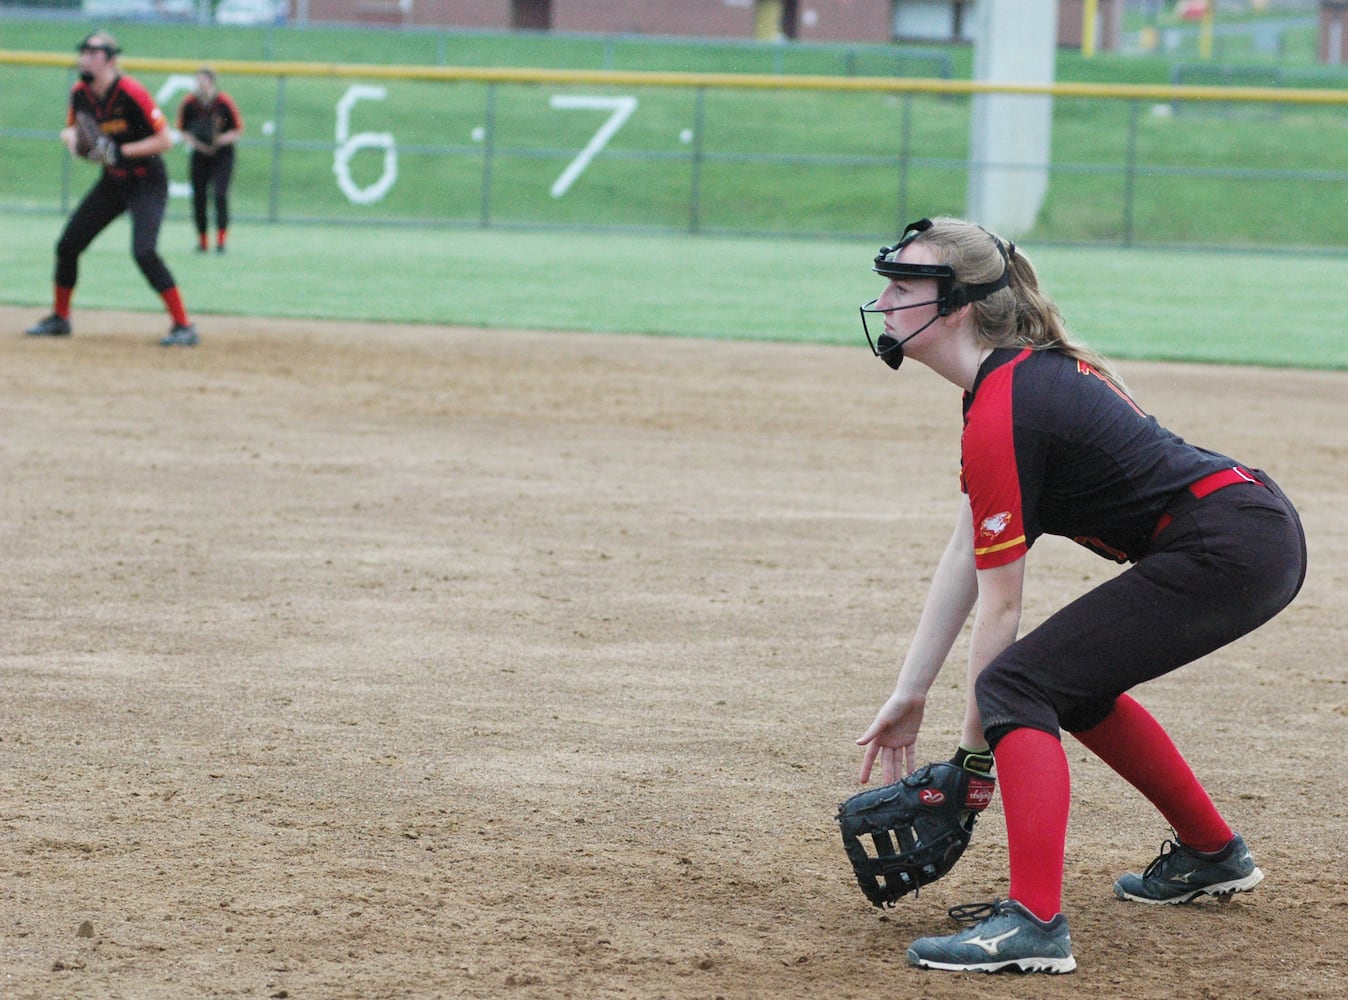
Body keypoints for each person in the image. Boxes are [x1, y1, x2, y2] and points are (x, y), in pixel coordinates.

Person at [852, 216, 1306, 974]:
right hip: (1243, 535)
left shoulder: (1007, 401)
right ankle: (1210, 853)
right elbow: (966, 552)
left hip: (1228, 544)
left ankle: (1033, 924)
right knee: (1068, 681)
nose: (886, 299)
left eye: (905, 285)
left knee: (1019, 682)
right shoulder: (1003, 387)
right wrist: (910, 692)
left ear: (955, 304)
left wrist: (973, 761)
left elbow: (1001, 610)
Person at [25, 31, 198, 347]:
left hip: (146, 180)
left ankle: (184, 325)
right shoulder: (80, 93)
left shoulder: (131, 92)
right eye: (84, 51)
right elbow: (71, 131)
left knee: (144, 251)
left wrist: (120, 152)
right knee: (68, 245)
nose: (85, 57)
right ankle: (60, 318)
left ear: (110, 59)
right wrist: (74, 142)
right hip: (113, 183)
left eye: (93, 52)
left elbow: (164, 140)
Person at [177, 67, 243, 255]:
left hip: (222, 155)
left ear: (211, 82)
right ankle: (203, 242)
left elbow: (237, 130)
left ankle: (221, 243)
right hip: (200, 155)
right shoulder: (190, 103)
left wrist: (218, 141)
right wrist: (200, 145)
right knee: (199, 198)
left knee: (220, 195)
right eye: (197, 80)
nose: (199, 84)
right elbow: (183, 131)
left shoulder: (223, 102)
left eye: (203, 80)